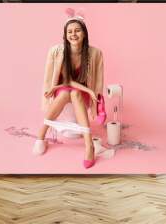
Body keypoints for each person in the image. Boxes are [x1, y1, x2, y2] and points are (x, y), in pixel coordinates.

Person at [33, 13, 104, 169]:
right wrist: (58, 87)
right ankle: (40, 137)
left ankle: (89, 147)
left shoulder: (94, 53)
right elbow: (68, 81)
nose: (73, 34)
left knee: (76, 93)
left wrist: (91, 92)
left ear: (84, 33)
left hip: (81, 94)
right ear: (65, 36)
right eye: (69, 31)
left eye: (77, 30)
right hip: (66, 88)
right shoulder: (60, 52)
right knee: (68, 92)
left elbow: (95, 81)